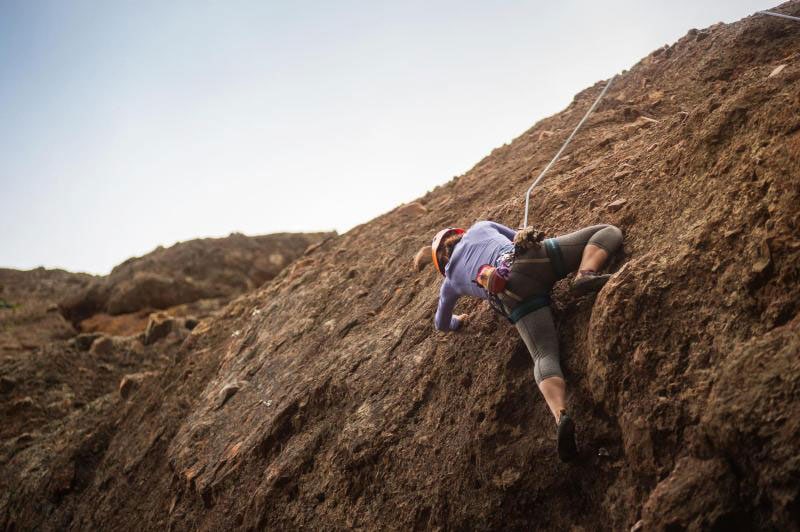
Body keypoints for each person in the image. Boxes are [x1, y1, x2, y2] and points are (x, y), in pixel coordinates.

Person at [413, 221, 623, 461]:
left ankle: (560, 415)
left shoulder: (450, 283)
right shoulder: (481, 226)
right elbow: (520, 238)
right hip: (533, 260)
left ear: (442, 264)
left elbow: (440, 323)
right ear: (458, 234)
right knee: (606, 231)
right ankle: (585, 274)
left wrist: (457, 321)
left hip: (510, 293)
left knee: (543, 354)